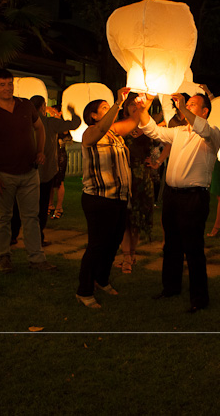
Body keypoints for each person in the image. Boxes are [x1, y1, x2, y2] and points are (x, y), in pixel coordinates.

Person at [137, 92, 220, 313]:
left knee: (193, 248)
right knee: (171, 245)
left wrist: (183, 108)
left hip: (194, 197)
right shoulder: (179, 132)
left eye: (193, 105)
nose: (185, 106)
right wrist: (144, 107)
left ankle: (199, 298)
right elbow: (152, 130)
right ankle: (171, 287)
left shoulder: (212, 134)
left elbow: (202, 129)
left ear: (204, 112)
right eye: (186, 104)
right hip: (172, 196)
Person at [0, 68, 55, 273]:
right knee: (2, 218)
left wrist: (40, 151)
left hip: (29, 172)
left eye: (9, 84)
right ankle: (3, 257)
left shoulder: (26, 105)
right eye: (2, 84)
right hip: (3, 174)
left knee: (32, 216)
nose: (7, 88)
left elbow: (40, 128)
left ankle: (36, 258)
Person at [75, 88, 136, 308]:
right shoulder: (91, 132)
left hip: (119, 197)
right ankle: (84, 291)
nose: (109, 109)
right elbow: (102, 127)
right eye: (104, 107)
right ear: (93, 115)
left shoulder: (115, 133)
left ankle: (101, 279)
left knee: (113, 243)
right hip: (98, 198)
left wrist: (145, 101)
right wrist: (118, 102)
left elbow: (134, 121)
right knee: (97, 245)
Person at [11, 96, 81, 247]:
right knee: (41, 207)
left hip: (24, 170)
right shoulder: (50, 122)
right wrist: (72, 111)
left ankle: (12, 235)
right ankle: (38, 238)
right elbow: (75, 124)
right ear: (43, 107)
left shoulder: (23, 122)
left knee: (19, 204)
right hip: (44, 172)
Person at [120, 95, 157, 273]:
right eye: (131, 105)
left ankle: (132, 253)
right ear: (126, 108)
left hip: (142, 177)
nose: (135, 108)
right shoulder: (120, 126)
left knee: (137, 219)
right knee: (125, 219)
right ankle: (126, 256)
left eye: (137, 105)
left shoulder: (148, 126)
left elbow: (164, 143)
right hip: (124, 176)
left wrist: (156, 161)